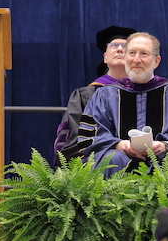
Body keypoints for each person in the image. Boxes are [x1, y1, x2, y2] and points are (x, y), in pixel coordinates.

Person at [78, 32, 168, 176]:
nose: (136, 60)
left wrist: (165, 146)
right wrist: (118, 145)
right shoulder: (104, 95)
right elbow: (91, 136)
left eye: (144, 54)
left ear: (156, 61)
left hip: (163, 156)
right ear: (125, 58)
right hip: (118, 158)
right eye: (131, 53)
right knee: (113, 158)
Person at [54, 26, 137, 163]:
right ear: (105, 57)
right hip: (97, 163)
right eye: (114, 45)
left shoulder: (148, 93)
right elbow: (75, 139)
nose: (120, 49)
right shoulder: (85, 95)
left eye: (126, 47)